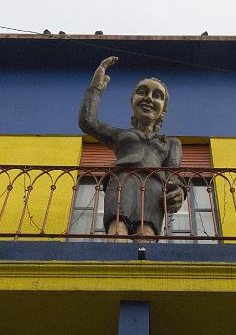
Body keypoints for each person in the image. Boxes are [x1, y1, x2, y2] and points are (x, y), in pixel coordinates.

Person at [78, 56, 185, 240]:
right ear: (132, 101)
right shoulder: (122, 135)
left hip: (153, 188)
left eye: (157, 96)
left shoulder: (171, 144)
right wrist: (96, 88)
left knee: (146, 234)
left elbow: (173, 176)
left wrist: (179, 192)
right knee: (117, 230)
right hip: (122, 181)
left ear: (163, 110)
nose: (149, 99)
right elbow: (87, 121)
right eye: (142, 92)